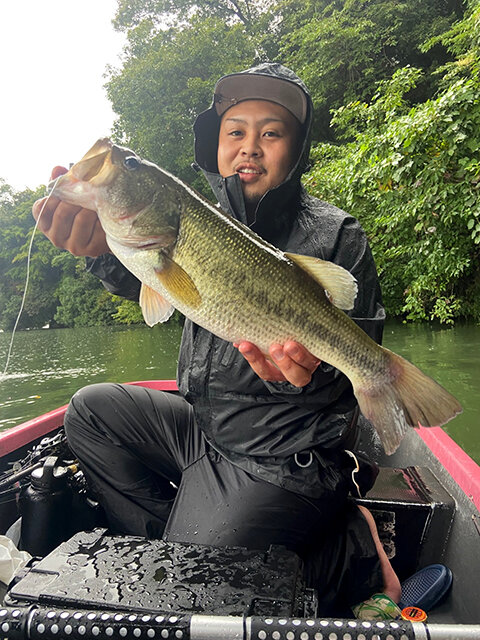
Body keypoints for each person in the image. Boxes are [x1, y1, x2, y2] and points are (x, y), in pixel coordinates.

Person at [33, 63, 401, 617]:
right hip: (205, 429)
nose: (250, 146)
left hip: (284, 459)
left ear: (296, 149)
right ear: (217, 145)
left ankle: (349, 551)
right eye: (235, 131)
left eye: (271, 132)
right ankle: (186, 545)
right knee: (90, 413)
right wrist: (100, 251)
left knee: (185, 594)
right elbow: (152, 284)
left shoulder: (338, 235)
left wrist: (307, 374)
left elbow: (346, 373)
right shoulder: (194, 217)